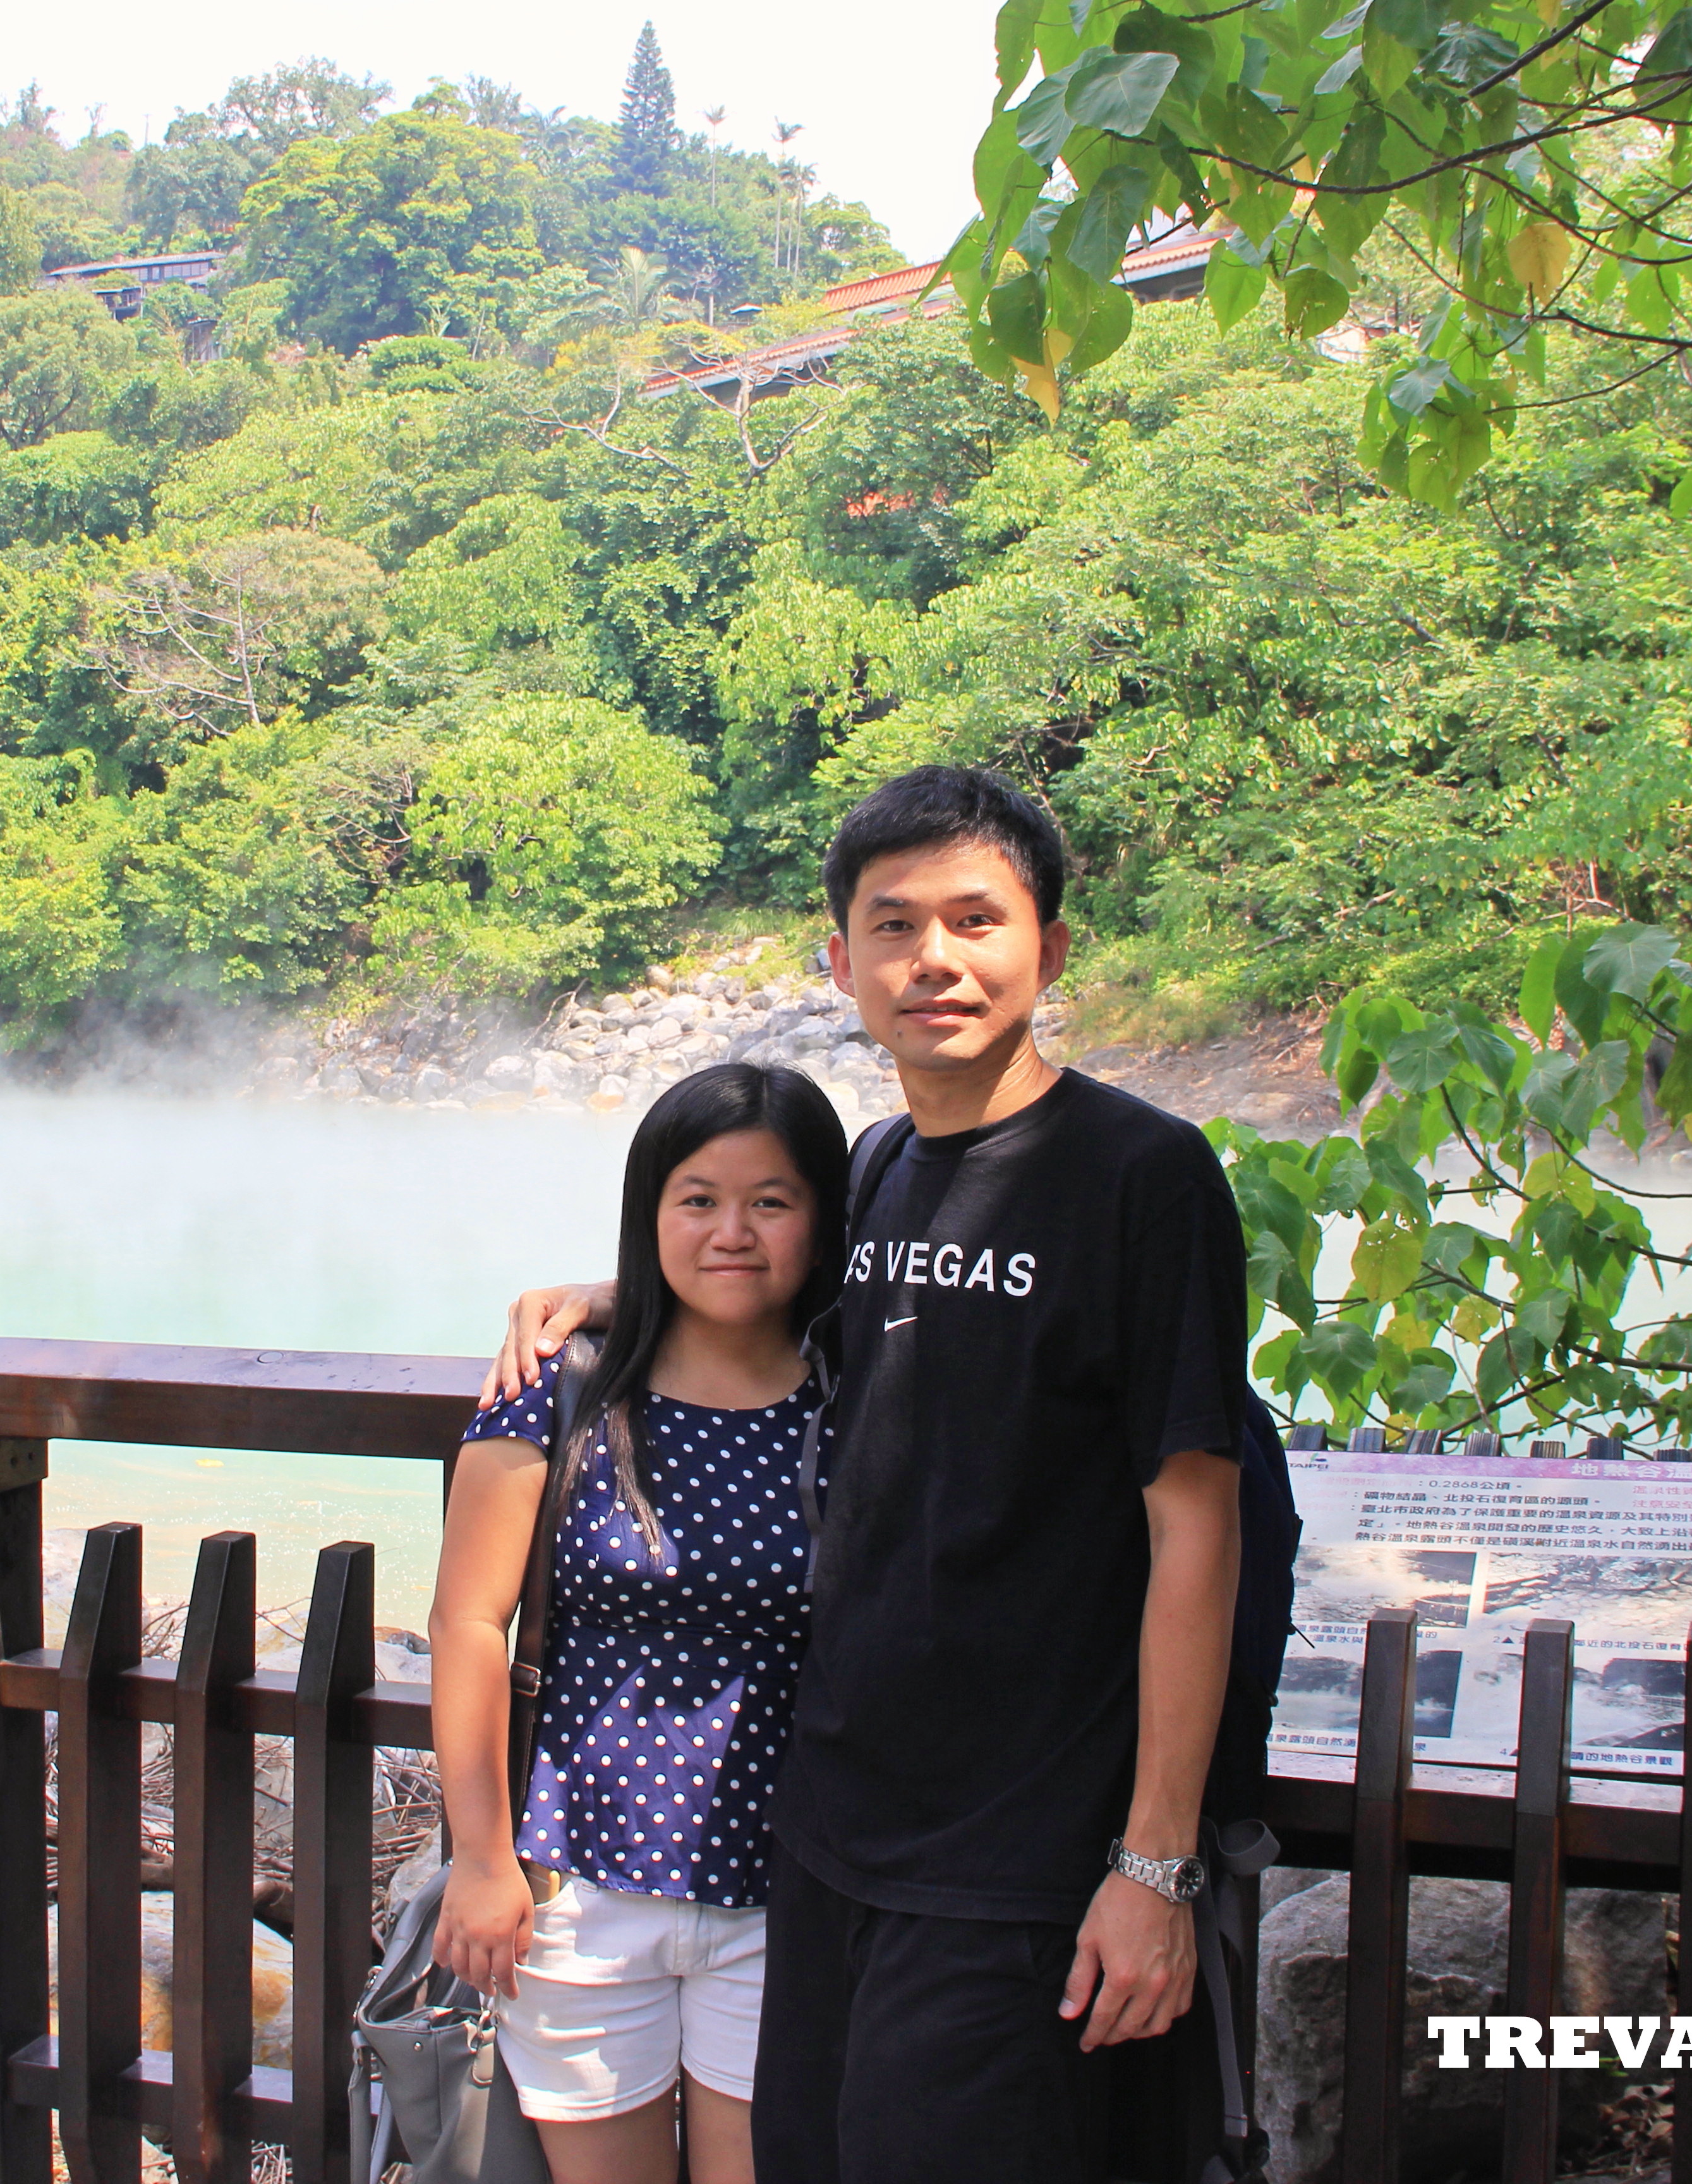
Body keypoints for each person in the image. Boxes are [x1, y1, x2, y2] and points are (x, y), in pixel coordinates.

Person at [488, 767, 1248, 2183]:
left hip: (1016, 1850)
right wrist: (614, 1298)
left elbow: (1197, 1524)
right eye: (895, 927)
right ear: (841, 961)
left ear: (1051, 947)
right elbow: (770, 1295)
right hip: (828, 1837)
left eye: (978, 918)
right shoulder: (884, 1169)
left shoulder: (1141, 1176)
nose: (936, 960)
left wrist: (1154, 1867)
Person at [430, 1063, 852, 2184]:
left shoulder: (856, 1398)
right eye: (698, 1199)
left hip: (788, 1896)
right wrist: (481, 1858)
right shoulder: (561, 1385)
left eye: (772, 1201)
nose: (734, 1231)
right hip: (578, 1891)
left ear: (823, 1220)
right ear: (649, 1213)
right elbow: (469, 1621)